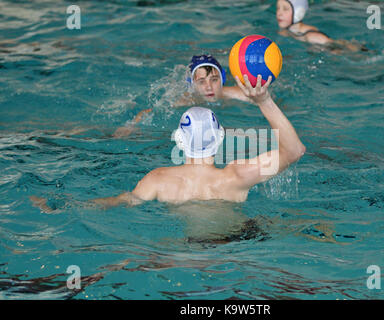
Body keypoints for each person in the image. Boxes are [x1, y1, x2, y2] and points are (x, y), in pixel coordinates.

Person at [89, 74, 305, 206]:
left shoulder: (158, 179)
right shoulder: (237, 177)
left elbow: (123, 202)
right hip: (234, 248)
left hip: (185, 251)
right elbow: (295, 151)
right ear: (220, 138)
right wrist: (264, 101)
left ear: (179, 141)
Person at [113, 54, 251, 138]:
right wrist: (130, 125)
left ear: (223, 79)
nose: (209, 87)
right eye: (201, 82)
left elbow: (261, 100)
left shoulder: (234, 93)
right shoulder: (186, 101)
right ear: (191, 84)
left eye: (214, 80)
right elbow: (150, 112)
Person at [276, 0, 367, 52]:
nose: (279, 13)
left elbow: (334, 46)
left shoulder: (311, 36)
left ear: (299, 12)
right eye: (278, 8)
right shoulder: (287, 31)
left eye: (285, 9)